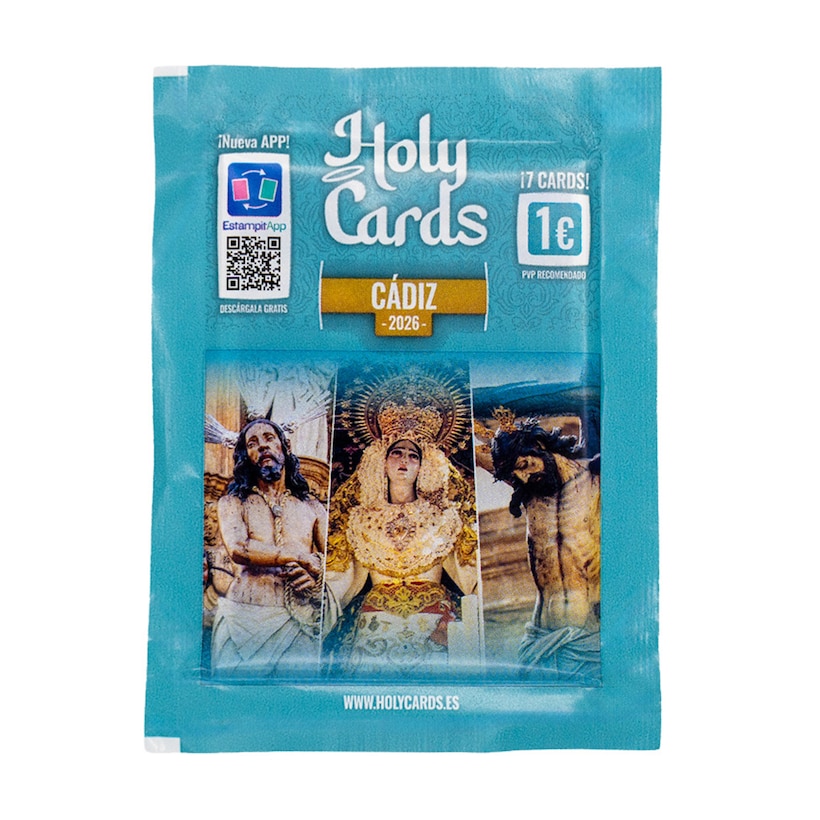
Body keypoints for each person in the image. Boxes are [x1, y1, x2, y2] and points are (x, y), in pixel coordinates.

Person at [324, 398, 478, 677]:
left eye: (413, 455)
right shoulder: (360, 521)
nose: (405, 460)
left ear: (423, 466)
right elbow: (340, 584)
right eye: (397, 452)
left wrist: (455, 626)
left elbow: (474, 579)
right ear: (383, 462)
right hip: (375, 630)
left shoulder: (443, 519)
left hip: (435, 628)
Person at [211, 418, 327, 677]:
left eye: (269, 438)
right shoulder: (233, 502)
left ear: (285, 446)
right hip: (242, 619)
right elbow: (239, 548)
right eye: (252, 443)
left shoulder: (313, 508)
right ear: (245, 456)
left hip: (299, 619)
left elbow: (334, 561)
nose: (262, 446)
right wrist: (299, 555)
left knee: (299, 697)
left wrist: (317, 573)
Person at [490, 417, 601, 684]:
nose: (524, 476)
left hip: (587, 638)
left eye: (525, 465)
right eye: (517, 474)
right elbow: (477, 450)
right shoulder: (530, 493)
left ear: (539, 447)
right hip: (538, 639)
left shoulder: (597, 482)